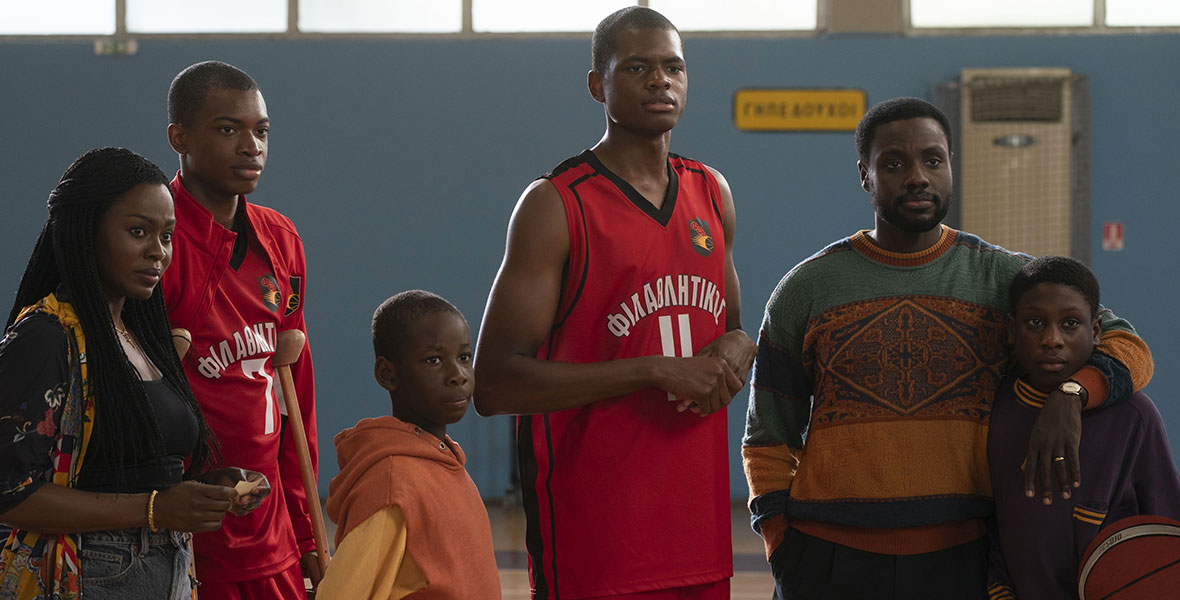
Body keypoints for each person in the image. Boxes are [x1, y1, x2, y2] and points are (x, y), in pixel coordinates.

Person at [741, 97, 1154, 599]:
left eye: (933, 160)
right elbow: (767, 435)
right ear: (865, 176)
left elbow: (1127, 342)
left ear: (951, 168)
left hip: (964, 559)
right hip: (827, 560)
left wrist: (1071, 394)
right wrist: (782, 545)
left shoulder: (1004, 279)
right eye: (894, 163)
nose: (918, 177)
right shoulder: (806, 288)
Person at [473, 7, 756, 599]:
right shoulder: (556, 204)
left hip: (699, 532)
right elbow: (495, 385)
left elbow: (729, 326)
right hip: (596, 541)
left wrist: (737, 345)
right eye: (638, 68)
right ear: (597, 84)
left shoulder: (713, 190)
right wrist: (653, 370)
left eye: (673, 67)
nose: (661, 81)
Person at [0, 147, 269, 600]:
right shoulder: (47, 337)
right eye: (138, 232)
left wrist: (204, 490)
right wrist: (156, 509)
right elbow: (13, 494)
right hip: (85, 580)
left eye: (166, 236)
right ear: (85, 233)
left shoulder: (143, 334)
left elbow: (131, 472)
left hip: (170, 574)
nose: (157, 252)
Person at [163, 61, 320, 597]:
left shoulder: (282, 240)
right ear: (178, 137)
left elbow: (295, 395)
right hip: (183, 535)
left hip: (269, 530)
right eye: (228, 129)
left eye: (261, 130)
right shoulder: (154, 243)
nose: (251, 145)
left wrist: (306, 533)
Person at [987, 256, 1180, 599]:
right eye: (1034, 322)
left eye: (1071, 324)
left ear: (1096, 332)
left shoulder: (1134, 415)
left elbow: (1166, 534)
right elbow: (996, 526)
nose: (1052, 339)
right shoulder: (997, 409)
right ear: (1011, 332)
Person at [318, 290, 500, 599]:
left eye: (464, 357)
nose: (457, 375)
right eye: (434, 360)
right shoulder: (391, 485)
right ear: (387, 374)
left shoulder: (445, 461)